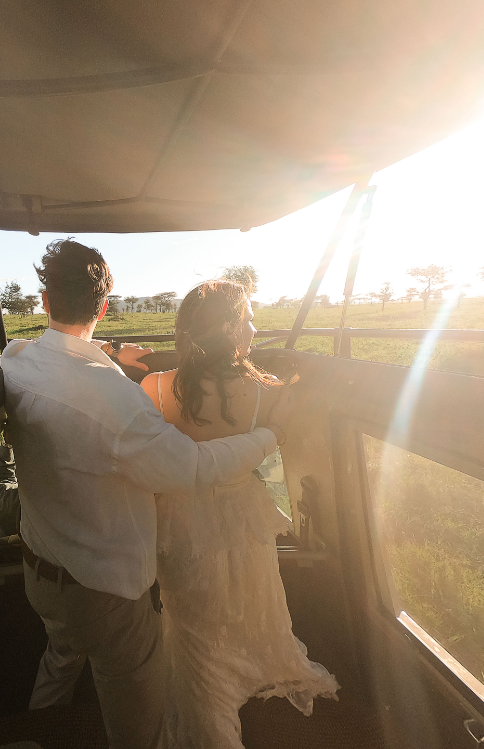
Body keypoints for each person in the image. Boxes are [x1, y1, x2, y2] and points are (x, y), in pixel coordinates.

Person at [1, 240, 292, 749]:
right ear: (105, 306)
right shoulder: (118, 404)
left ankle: (37, 731)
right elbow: (193, 469)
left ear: (45, 301)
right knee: (136, 719)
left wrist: (116, 356)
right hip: (103, 591)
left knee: (59, 659)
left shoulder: (19, 359)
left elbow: (73, 367)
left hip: (38, 569)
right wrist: (268, 437)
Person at [139, 280, 339, 749]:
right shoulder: (266, 392)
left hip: (181, 525)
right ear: (227, 328)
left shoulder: (157, 387)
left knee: (193, 628)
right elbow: (287, 431)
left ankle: (209, 707)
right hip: (244, 520)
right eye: (247, 317)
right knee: (250, 604)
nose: (254, 326)